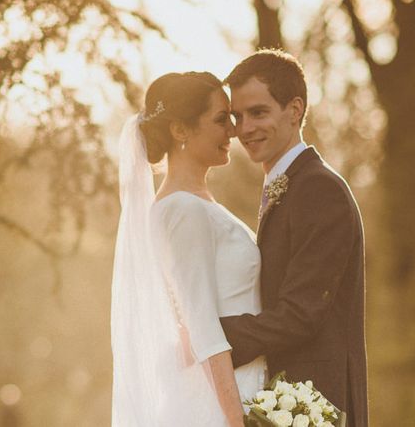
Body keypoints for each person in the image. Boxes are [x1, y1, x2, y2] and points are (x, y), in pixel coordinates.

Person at [219, 49, 369, 427]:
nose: (244, 128)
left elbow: (301, 314)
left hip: (315, 401)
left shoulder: (320, 189)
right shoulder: (288, 185)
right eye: (237, 116)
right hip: (284, 400)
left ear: (295, 109)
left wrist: (213, 336)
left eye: (258, 112)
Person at [110, 72, 265, 427]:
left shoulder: (199, 203)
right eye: (219, 119)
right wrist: (235, 419)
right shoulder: (181, 209)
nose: (232, 130)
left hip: (244, 381)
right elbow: (203, 327)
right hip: (227, 397)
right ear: (180, 130)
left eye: (231, 118)